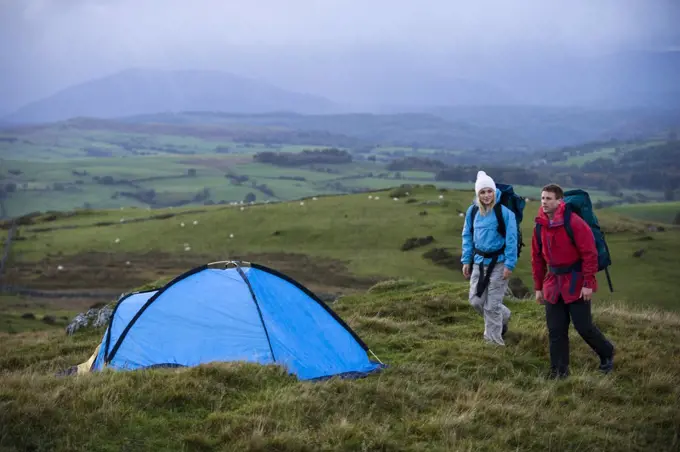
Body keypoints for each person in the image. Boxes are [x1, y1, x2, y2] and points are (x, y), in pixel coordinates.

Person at [531, 183, 615, 379]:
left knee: (583, 326)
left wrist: (588, 283)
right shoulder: (540, 225)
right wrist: (538, 287)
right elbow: (536, 258)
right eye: (542, 198)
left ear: (560, 201)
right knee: (555, 330)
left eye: (549, 198)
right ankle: (559, 372)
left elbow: (590, 254)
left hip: (575, 281)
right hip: (552, 284)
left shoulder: (574, 222)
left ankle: (607, 352)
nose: (544, 202)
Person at [461, 171, 517, 345]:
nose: (486, 195)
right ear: (477, 194)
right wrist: (466, 260)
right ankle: (504, 315)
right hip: (478, 262)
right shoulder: (472, 212)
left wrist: (509, 264)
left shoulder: (505, 213)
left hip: (499, 263)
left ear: (495, 192)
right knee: (476, 301)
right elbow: (467, 236)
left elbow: (511, 240)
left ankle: (493, 344)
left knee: (492, 306)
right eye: (482, 192)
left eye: (489, 191)